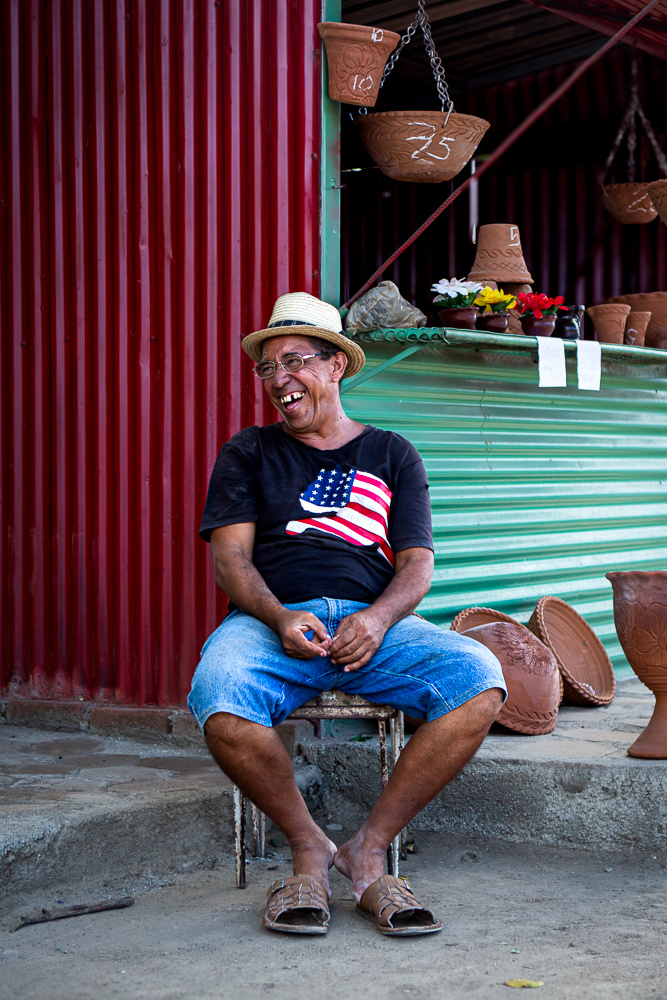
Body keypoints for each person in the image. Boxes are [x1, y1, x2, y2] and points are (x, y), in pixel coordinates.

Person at [188, 291, 506, 937]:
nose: (280, 380)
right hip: (273, 621)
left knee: (478, 679)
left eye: (295, 361)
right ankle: (309, 847)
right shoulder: (247, 451)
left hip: (374, 619)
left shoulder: (391, 452)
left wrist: (379, 619)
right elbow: (232, 562)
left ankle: (367, 848)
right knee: (218, 695)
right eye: (267, 367)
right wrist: (278, 617)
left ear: (336, 366)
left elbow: (416, 563)